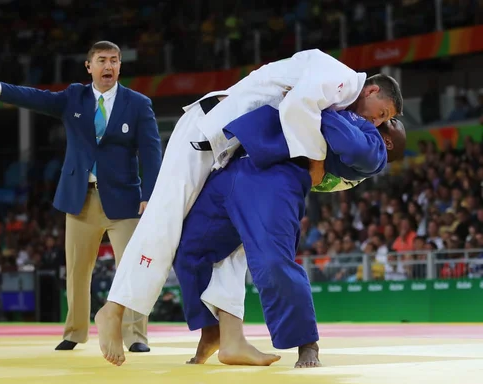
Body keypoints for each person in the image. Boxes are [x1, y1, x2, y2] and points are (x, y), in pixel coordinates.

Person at [96, 49, 403, 364]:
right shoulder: (340, 76)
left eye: (384, 121)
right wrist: (318, 162)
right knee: (165, 218)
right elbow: (298, 105)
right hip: (208, 130)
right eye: (383, 112)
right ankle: (115, 308)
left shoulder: (338, 100)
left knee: (234, 249)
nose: (377, 121)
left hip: (238, 149)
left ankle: (230, 339)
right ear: (372, 89)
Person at [180, 110, 406, 368]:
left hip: (274, 176)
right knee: (188, 248)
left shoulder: (370, 147)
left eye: (390, 118)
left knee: (272, 262)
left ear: (386, 142)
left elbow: (319, 119)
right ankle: (210, 330)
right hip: (234, 163)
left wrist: (317, 117)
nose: (387, 116)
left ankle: (307, 342)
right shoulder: (356, 116)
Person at [0, 40, 162, 353]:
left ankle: (135, 336)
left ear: (120, 66)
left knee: (133, 269)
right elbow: (36, 98)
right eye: (102, 60)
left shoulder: (138, 103)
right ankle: (75, 332)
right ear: (89, 67)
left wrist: (151, 195)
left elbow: (151, 152)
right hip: (81, 198)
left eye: (114, 60)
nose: (109, 66)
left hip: (126, 201)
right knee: (77, 270)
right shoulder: (73, 97)